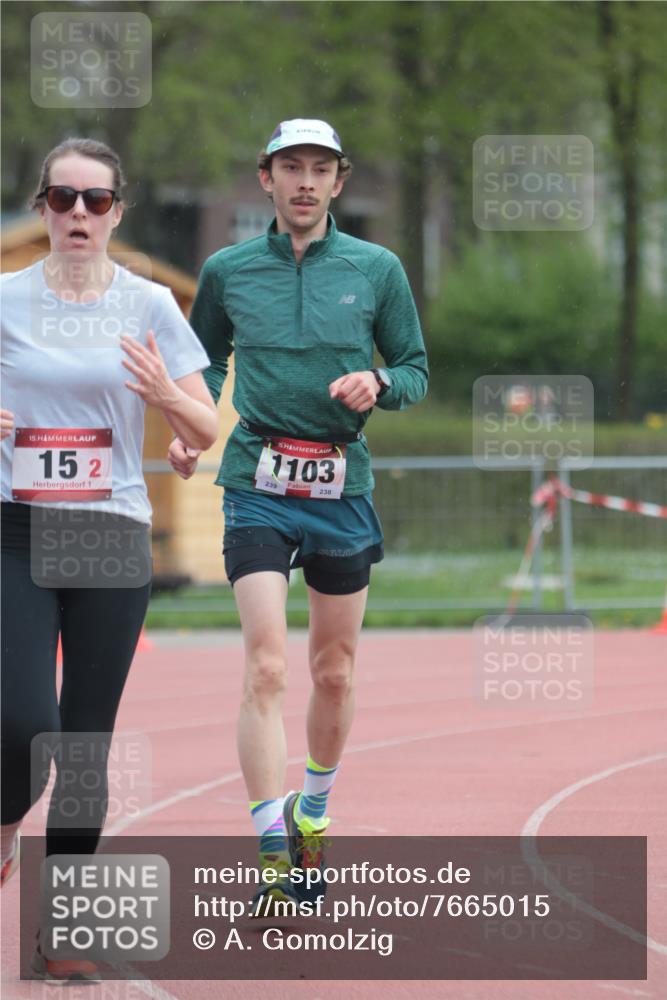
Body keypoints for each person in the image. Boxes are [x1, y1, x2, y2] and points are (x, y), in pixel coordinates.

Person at [169, 118, 428, 913]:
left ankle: (313, 812)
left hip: (340, 485)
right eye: (291, 168)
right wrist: (188, 427)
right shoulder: (227, 269)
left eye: (320, 168)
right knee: (267, 663)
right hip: (255, 479)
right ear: (266, 179)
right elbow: (202, 361)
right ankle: (273, 850)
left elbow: (414, 368)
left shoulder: (376, 268)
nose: (305, 181)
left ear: (339, 182)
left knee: (332, 669)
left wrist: (379, 386)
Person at [0, 137, 217, 981]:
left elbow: (203, 427)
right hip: (15, 528)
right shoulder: (5, 299)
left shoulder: (151, 305)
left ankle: (63, 926)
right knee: (20, 723)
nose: (78, 215)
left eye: (95, 201)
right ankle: (6, 821)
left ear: (117, 212)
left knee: (85, 740)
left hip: (110, 531)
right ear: (42, 208)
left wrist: (166, 396)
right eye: (62, 199)